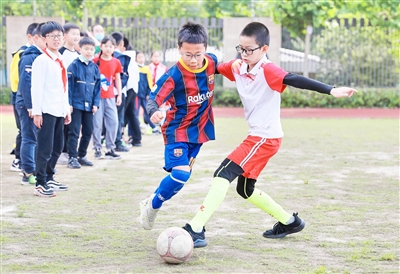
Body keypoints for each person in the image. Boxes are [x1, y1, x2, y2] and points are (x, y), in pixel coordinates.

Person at [181, 22, 358, 248]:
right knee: (245, 189)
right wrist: (193, 60)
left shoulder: (267, 69)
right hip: (261, 136)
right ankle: (290, 222)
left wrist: (331, 89)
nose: (244, 54)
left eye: (249, 49)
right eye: (241, 48)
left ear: (264, 49)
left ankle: (196, 228)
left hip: (264, 138)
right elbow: (212, 66)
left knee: (222, 173)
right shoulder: (238, 66)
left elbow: (293, 79)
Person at [139, 22, 219, 230]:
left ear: (206, 49)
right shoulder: (173, 75)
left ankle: (153, 201)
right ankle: (152, 206)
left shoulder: (211, 63)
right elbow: (153, 98)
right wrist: (153, 111)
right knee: (181, 174)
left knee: (182, 179)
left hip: (199, 132)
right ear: (179, 50)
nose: (193, 60)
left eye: (197, 54)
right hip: (177, 130)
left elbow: (228, 68)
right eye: (187, 54)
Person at [31, 21, 71, 197]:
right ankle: (40, 183)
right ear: (44, 39)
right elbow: (36, 87)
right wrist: (37, 111)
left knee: (57, 147)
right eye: (52, 36)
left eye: (59, 36)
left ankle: (49, 175)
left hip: (59, 110)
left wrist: (66, 109)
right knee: (45, 148)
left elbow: (63, 88)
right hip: (46, 110)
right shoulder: (41, 60)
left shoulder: (60, 59)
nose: (56, 39)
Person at [15, 22, 44, 185]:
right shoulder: (29, 56)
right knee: (29, 137)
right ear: (36, 38)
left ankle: (35, 168)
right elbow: (26, 83)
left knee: (37, 138)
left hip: (38, 104)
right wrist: (31, 106)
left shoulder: (43, 55)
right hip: (27, 104)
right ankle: (27, 172)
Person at [66, 37, 100, 169]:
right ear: (79, 49)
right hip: (75, 104)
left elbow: (97, 88)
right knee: (74, 131)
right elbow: (69, 86)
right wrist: (69, 103)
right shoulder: (73, 66)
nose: (89, 52)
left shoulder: (95, 67)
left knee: (88, 131)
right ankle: (72, 158)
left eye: (91, 49)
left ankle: (82, 155)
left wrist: (95, 103)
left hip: (89, 105)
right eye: (86, 49)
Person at [9, 22, 38, 173]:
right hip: (21, 99)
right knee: (24, 131)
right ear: (31, 37)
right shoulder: (22, 54)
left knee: (29, 133)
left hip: (29, 99)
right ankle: (18, 160)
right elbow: (15, 80)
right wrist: (19, 99)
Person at [92, 36, 123, 160]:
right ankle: (97, 148)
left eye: (111, 46)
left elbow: (118, 79)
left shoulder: (116, 62)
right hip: (97, 97)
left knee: (113, 122)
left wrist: (119, 94)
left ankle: (110, 148)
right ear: (101, 46)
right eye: (106, 46)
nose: (108, 49)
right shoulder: (95, 61)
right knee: (97, 124)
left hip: (110, 96)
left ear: (114, 48)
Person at [57, 22, 81, 165]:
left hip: (76, 97)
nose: (76, 37)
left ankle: (69, 152)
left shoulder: (78, 55)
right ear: (65, 36)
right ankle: (61, 152)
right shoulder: (61, 53)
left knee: (73, 126)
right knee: (63, 125)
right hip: (64, 95)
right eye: (73, 34)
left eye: (78, 34)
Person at [110, 31, 132, 152]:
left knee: (115, 118)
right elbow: (124, 76)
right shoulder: (121, 58)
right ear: (121, 43)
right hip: (118, 92)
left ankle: (114, 141)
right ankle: (116, 141)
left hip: (112, 91)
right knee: (117, 118)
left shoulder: (106, 56)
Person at [122, 39, 141, 147]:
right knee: (131, 113)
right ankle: (136, 138)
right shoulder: (131, 56)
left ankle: (119, 136)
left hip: (128, 88)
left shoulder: (125, 56)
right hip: (133, 87)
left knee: (123, 113)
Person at [136, 51, 160, 135]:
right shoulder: (135, 68)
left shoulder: (146, 69)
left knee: (148, 111)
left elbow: (149, 82)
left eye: (142, 57)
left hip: (144, 94)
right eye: (139, 57)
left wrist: (149, 93)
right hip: (136, 95)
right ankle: (136, 129)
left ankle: (154, 127)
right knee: (135, 112)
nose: (141, 59)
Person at [149, 50, 169, 126]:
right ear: (151, 58)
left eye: (158, 56)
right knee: (151, 107)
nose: (156, 58)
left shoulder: (164, 68)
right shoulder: (148, 68)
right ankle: (151, 126)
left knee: (162, 106)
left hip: (161, 90)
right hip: (151, 90)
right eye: (155, 56)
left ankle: (163, 124)